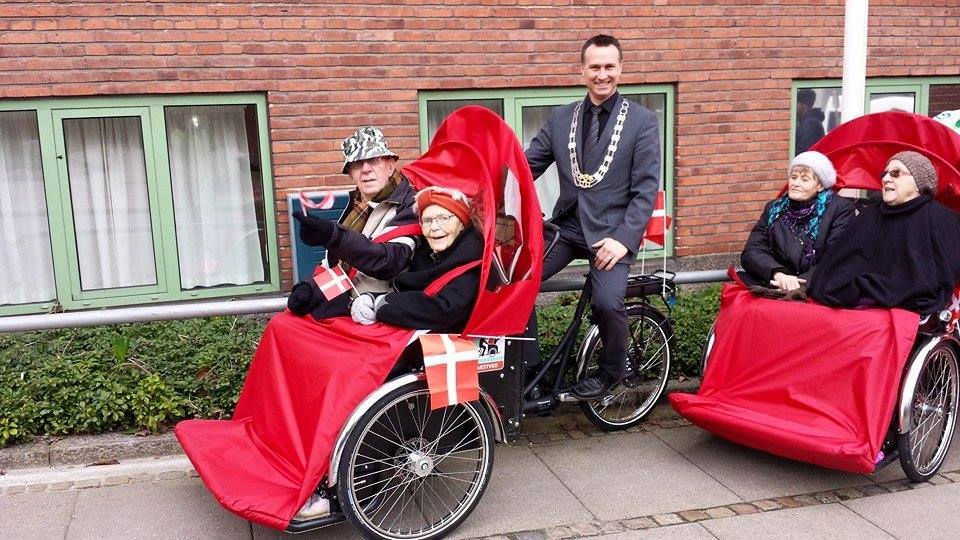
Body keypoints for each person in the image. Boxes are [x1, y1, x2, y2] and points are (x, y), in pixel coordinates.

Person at [525, 34, 661, 400]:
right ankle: (528, 367)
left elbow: (645, 190)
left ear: (620, 69)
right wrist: (486, 176)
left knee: (606, 302)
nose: (602, 75)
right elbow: (526, 166)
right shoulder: (560, 117)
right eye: (595, 67)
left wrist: (624, 239)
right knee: (517, 282)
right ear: (582, 70)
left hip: (613, 234)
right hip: (568, 226)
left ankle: (610, 374)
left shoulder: (643, 121)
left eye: (609, 67)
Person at [289, 126, 418, 319]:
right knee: (285, 324)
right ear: (351, 173)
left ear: (390, 165)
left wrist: (334, 236)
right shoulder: (359, 204)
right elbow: (340, 268)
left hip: (386, 309)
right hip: (348, 300)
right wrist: (309, 288)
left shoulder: (411, 205)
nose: (365, 170)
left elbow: (390, 261)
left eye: (374, 160)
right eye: (357, 164)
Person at [809, 151, 960, 314]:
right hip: (849, 309)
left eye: (895, 173)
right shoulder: (870, 215)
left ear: (919, 183)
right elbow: (834, 265)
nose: (886, 178)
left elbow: (934, 279)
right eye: (885, 173)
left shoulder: (941, 218)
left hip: (907, 316)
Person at [350, 186, 483, 332]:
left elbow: (445, 309)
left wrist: (382, 304)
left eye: (443, 218)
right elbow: (408, 291)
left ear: (462, 224)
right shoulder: (425, 253)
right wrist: (371, 298)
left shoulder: (473, 259)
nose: (433, 227)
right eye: (426, 220)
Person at [740, 151, 854, 296]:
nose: (796, 183)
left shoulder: (840, 209)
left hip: (817, 287)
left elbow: (836, 257)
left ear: (820, 186)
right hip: (776, 284)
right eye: (793, 177)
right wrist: (777, 274)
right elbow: (752, 251)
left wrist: (800, 284)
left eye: (805, 179)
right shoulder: (773, 209)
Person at [795, 88, 825, 155]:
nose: (794, 106)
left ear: (804, 106)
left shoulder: (809, 125)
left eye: (796, 103)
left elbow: (804, 152)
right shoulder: (810, 121)